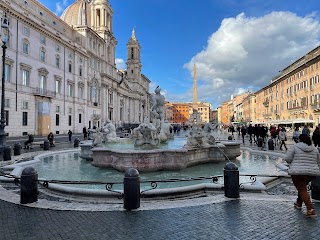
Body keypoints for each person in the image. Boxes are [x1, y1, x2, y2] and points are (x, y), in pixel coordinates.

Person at [283, 134, 320, 218]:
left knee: (302, 188)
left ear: (300, 139)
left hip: (297, 172)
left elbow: (288, 158)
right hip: (311, 173)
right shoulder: (314, 149)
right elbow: (318, 160)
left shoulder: (294, 147)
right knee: (302, 187)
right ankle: (299, 203)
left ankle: (310, 209)